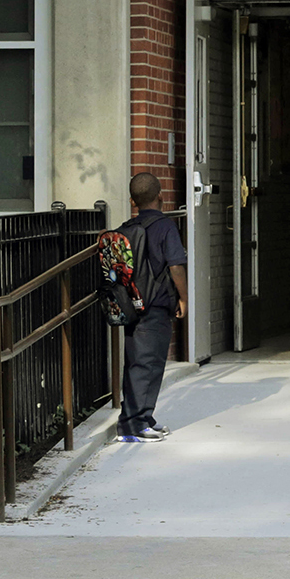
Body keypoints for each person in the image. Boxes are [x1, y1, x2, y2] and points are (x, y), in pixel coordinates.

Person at [117, 172, 187, 443]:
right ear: (161, 196)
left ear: (133, 201)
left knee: (138, 362)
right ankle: (132, 426)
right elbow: (176, 266)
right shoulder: (165, 227)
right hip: (156, 304)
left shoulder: (125, 228)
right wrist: (183, 298)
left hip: (131, 305)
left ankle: (143, 418)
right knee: (148, 364)